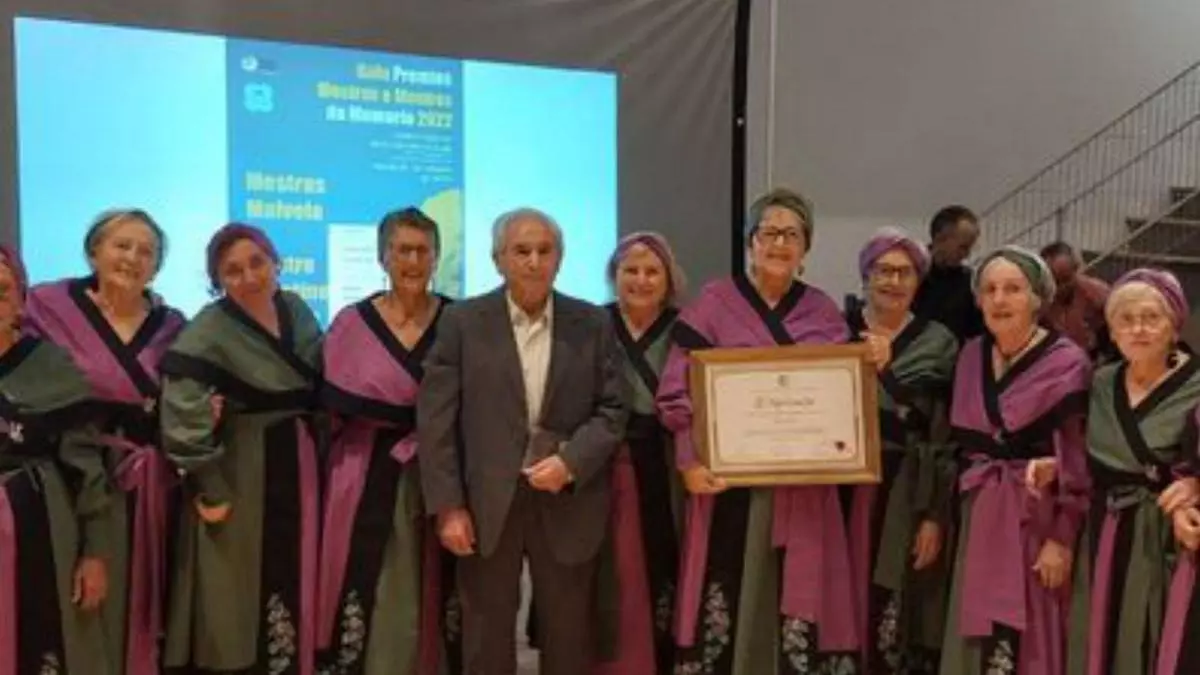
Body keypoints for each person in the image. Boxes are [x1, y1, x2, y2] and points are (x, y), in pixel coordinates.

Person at [658, 188, 859, 674]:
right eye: (768, 233)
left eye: (792, 235)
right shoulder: (714, 303)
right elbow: (676, 391)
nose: (779, 244)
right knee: (727, 583)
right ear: (750, 242)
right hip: (729, 483)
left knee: (795, 594)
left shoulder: (824, 313)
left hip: (804, 486)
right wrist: (689, 461)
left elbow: (843, 398)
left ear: (806, 247)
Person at [418, 208, 625, 675]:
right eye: (521, 251)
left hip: (568, 501)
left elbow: (613, 411)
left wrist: (571, 463)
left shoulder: (592, 323)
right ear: (498, 260)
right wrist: (448, 506)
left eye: (544, 251)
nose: (534, 261)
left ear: (559, 259)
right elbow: (436, 422)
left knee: (568, 640)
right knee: (486, 639)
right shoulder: (462, 322)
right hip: (486, 506)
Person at [24, 208, 186, 675]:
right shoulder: (48, 307)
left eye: (146, 251)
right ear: (94, 251)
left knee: (145, 601)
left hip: (150, 488)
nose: (132, 258)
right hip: (71, 478)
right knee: (78, 597)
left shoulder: (173, 325)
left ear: (156, 268)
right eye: (122, 245)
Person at [160, 224, 323, 675]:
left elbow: (320, 379)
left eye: (257, 263)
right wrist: (210, 487)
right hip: (240, 470)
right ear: (217, 281)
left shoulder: (295, 309)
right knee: (233, 586)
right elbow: (182, 416)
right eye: (232, 271)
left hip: (300, 463)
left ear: (276, 264)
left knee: (296, 572)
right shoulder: (206, 331)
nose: (249, 277)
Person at [939, 246, 1092, 675]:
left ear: (1037, 298)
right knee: (972, 638)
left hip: (1035, 520)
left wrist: (1061, 538)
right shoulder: (970, 356)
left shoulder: (1068, 364)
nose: (1000, 300)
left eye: (1013, 289)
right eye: (989, 290)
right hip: (980, 512)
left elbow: (1077, 460)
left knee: (1029, 639)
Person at [316, 208, 453, 675]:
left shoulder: (459, 321)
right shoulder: (351, 324)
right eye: (402, 250)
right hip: (361, 473)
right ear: (382, 257)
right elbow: (328, 415)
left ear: (436, 258)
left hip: (439, 471)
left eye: (423, 251)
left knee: (436, 588)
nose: (413, 261)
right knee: (368, 584)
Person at [1063, 268, 1199, 675]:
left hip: (1166, 536)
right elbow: (1081, 451)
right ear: (1112, 329)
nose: (1138, 329)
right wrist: (1055, 465)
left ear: (1174, 326)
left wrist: (1195, 484)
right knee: (1101, 637)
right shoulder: (1101, 383)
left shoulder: (1195, 384)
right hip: (1106, 527)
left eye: (1151, 318)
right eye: (1126, 319)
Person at [846, 227, 958, 674]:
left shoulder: (940, 342)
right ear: (866, 276)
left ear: (918, 280)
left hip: (907, 487)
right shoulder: (837, 331)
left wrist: (934, 514)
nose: (893, 281)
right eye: (883, 271)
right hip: (841, 486)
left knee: (896, 597)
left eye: (905, 272)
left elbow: (944, 435)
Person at [0, 246, 113, 675]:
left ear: (21, 300)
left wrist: (94, 553)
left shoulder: (50, 366)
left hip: (42, 532)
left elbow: (86, 467)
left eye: (2, 290)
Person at [594, 231, 687, 674]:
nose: (641, 280)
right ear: (614, 276)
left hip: (665, 468)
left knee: (661, 568)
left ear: (668, 280)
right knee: (613, 572)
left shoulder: (687, 330)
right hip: (604, 466)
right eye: (630, 270)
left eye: (652, 271)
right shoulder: (593, 326)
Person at [912, 205, 984, 343]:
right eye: (963, 247)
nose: (967, 255)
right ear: (940, 239)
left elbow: (976, 333)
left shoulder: (969, 283)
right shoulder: (909, 275)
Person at [1039, 241, 1112, 361]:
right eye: (1055, 281)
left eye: (1066, 279)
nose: (1060, 288)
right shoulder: (1038, 300)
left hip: (1093, 359)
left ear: (1076, 270)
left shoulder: (1098, 294)